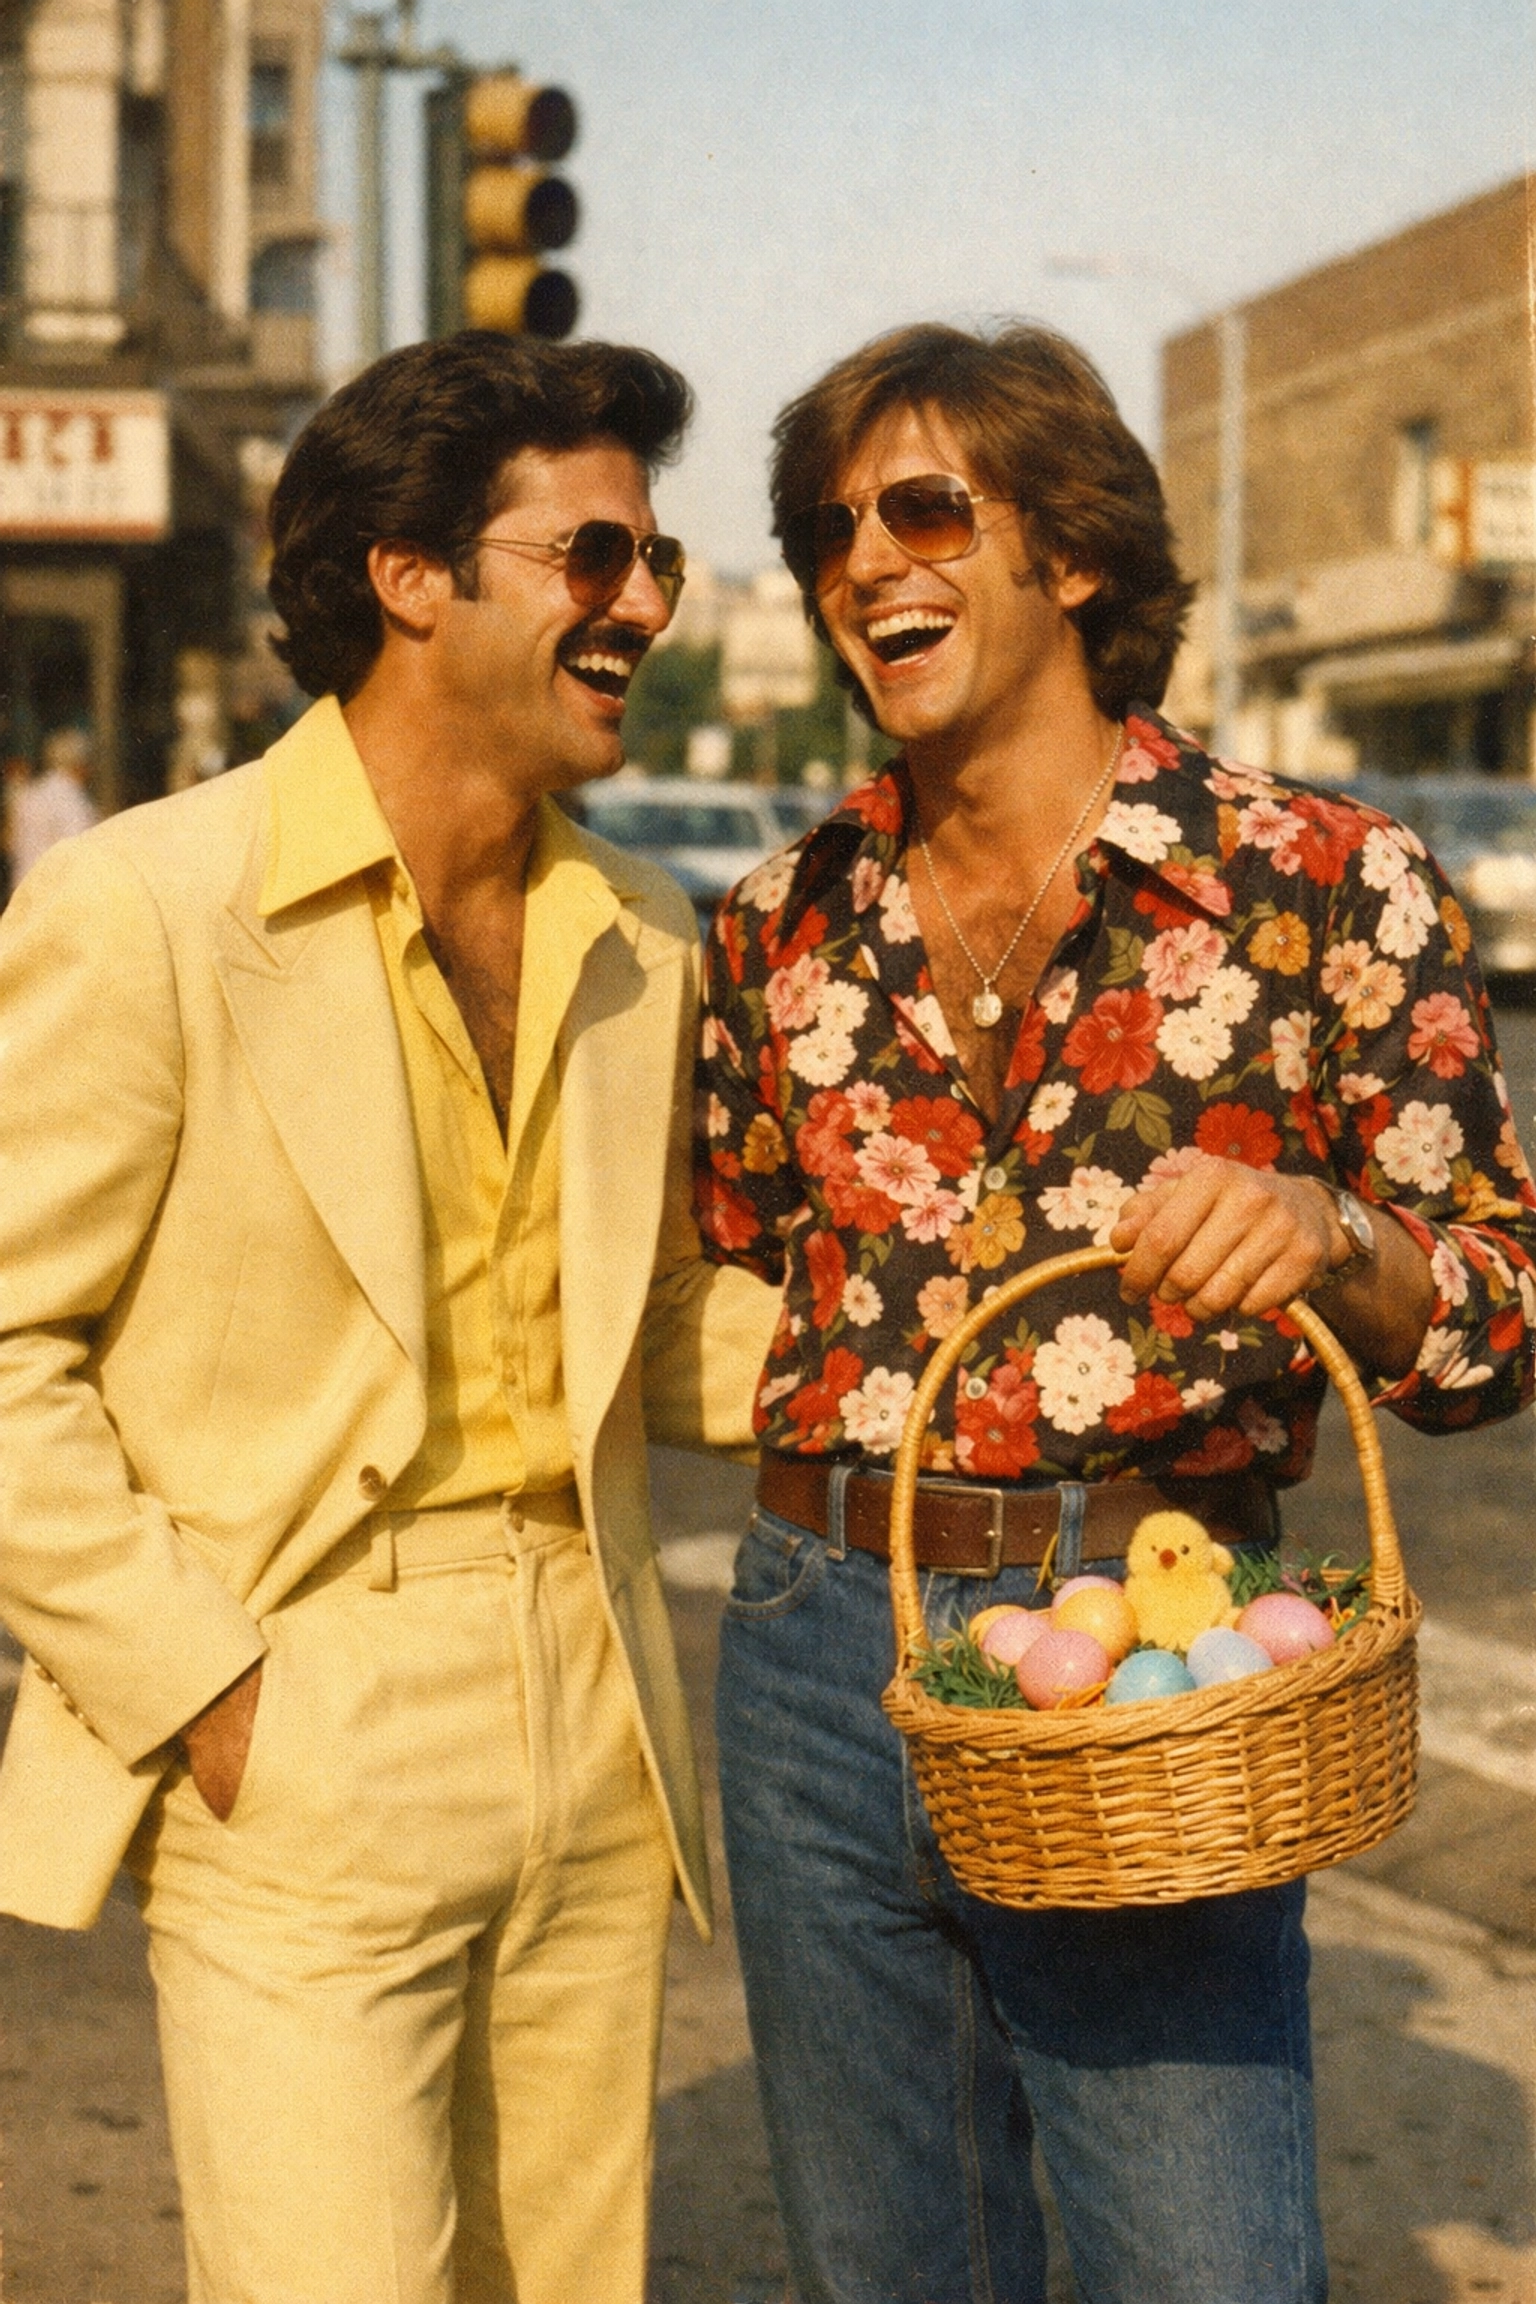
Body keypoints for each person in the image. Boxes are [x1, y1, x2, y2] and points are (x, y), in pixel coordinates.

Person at [695, 320, 1536, 2304]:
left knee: (1202, 2270)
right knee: (888, 2272)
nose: (864, 566)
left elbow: (1500, 1308)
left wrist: (1335, 1232)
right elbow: (733, 1249)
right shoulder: (774, 927)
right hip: (821, 1644)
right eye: (829, 533)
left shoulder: (1328, 885)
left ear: (1070, 550)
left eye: (920, 508)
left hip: (1154, 1644)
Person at [0, 331, 779, 2304]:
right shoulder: (151, 906)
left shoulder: (639, 930)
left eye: (658, 565)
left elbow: (653, 1322)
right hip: (304, 1704)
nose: (642, 605)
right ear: (409, 576)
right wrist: (205, 1689)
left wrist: (1001, 1347)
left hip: (594, 1713)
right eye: (593, 555)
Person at [9, 722, 99, 884]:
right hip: (55, 890)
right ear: (81, 764)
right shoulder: (72, 799)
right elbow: (80, 852)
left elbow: (14, 843)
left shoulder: (31, 793)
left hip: (23, 887)